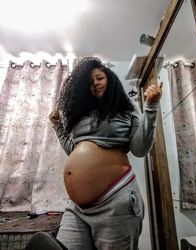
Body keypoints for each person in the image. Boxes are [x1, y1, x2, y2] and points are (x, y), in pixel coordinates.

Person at [26, 57, 162, 250]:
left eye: (100, 78)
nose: (96, 83)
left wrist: (151, 107)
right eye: (90, 82)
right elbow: (74, 150)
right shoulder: (81, 114)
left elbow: (140, 148)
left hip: (115, 202)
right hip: (77, 208)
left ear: (110, 78)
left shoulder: (126, 107)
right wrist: (58, 125)